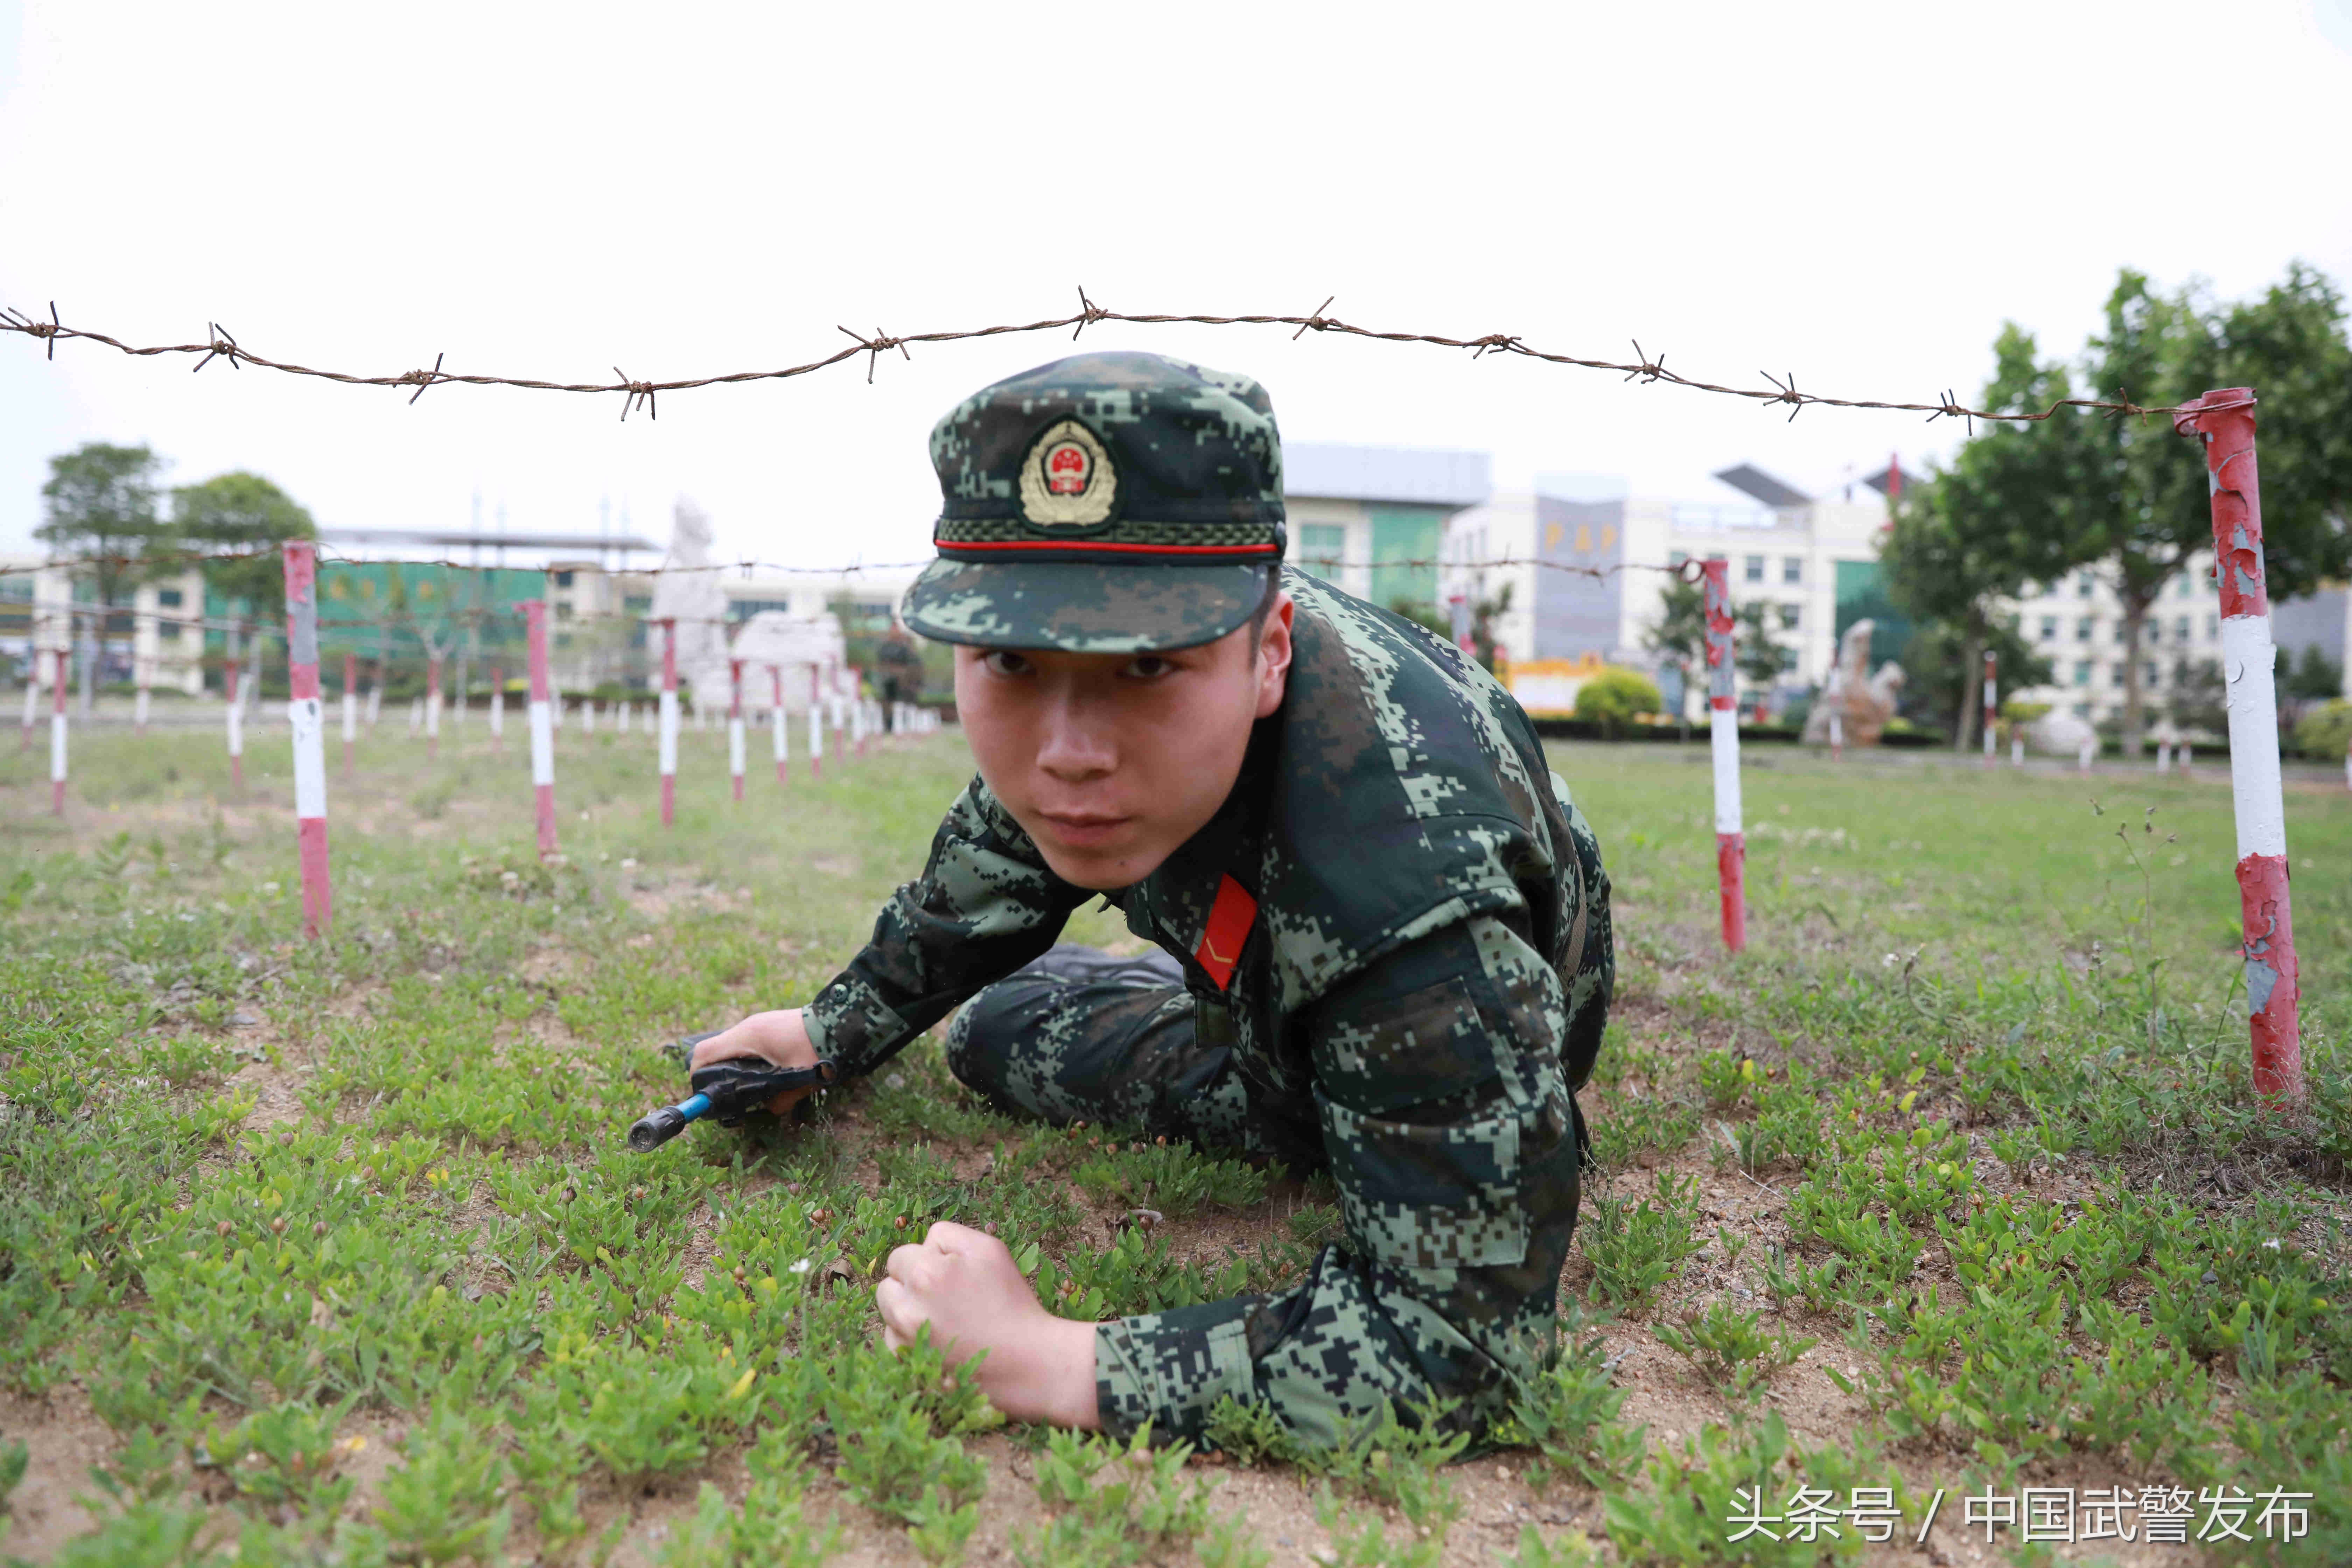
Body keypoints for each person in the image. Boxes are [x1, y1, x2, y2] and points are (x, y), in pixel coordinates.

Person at [682, 350, 1612, 1448]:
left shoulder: (1412, 898)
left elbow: (1463, 1347)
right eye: (1013, 664)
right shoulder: (1149, 699)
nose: (1067, 754)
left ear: (1268, 650)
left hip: (1387, 1038)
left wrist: (1048, 1358)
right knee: (990, 1027)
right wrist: (825, 1033)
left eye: (1144, 668)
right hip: (1258, 987)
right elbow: (993, 862)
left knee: (1303, 1110)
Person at [872, 618, 924, 732]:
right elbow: (881, 663)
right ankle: (889, 726)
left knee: (904, 704)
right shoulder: (885, 647)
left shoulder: (905, 647)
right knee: (888, 705)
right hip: (889, 681)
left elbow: (913, 664)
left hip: (904, 682)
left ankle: (905, 726)